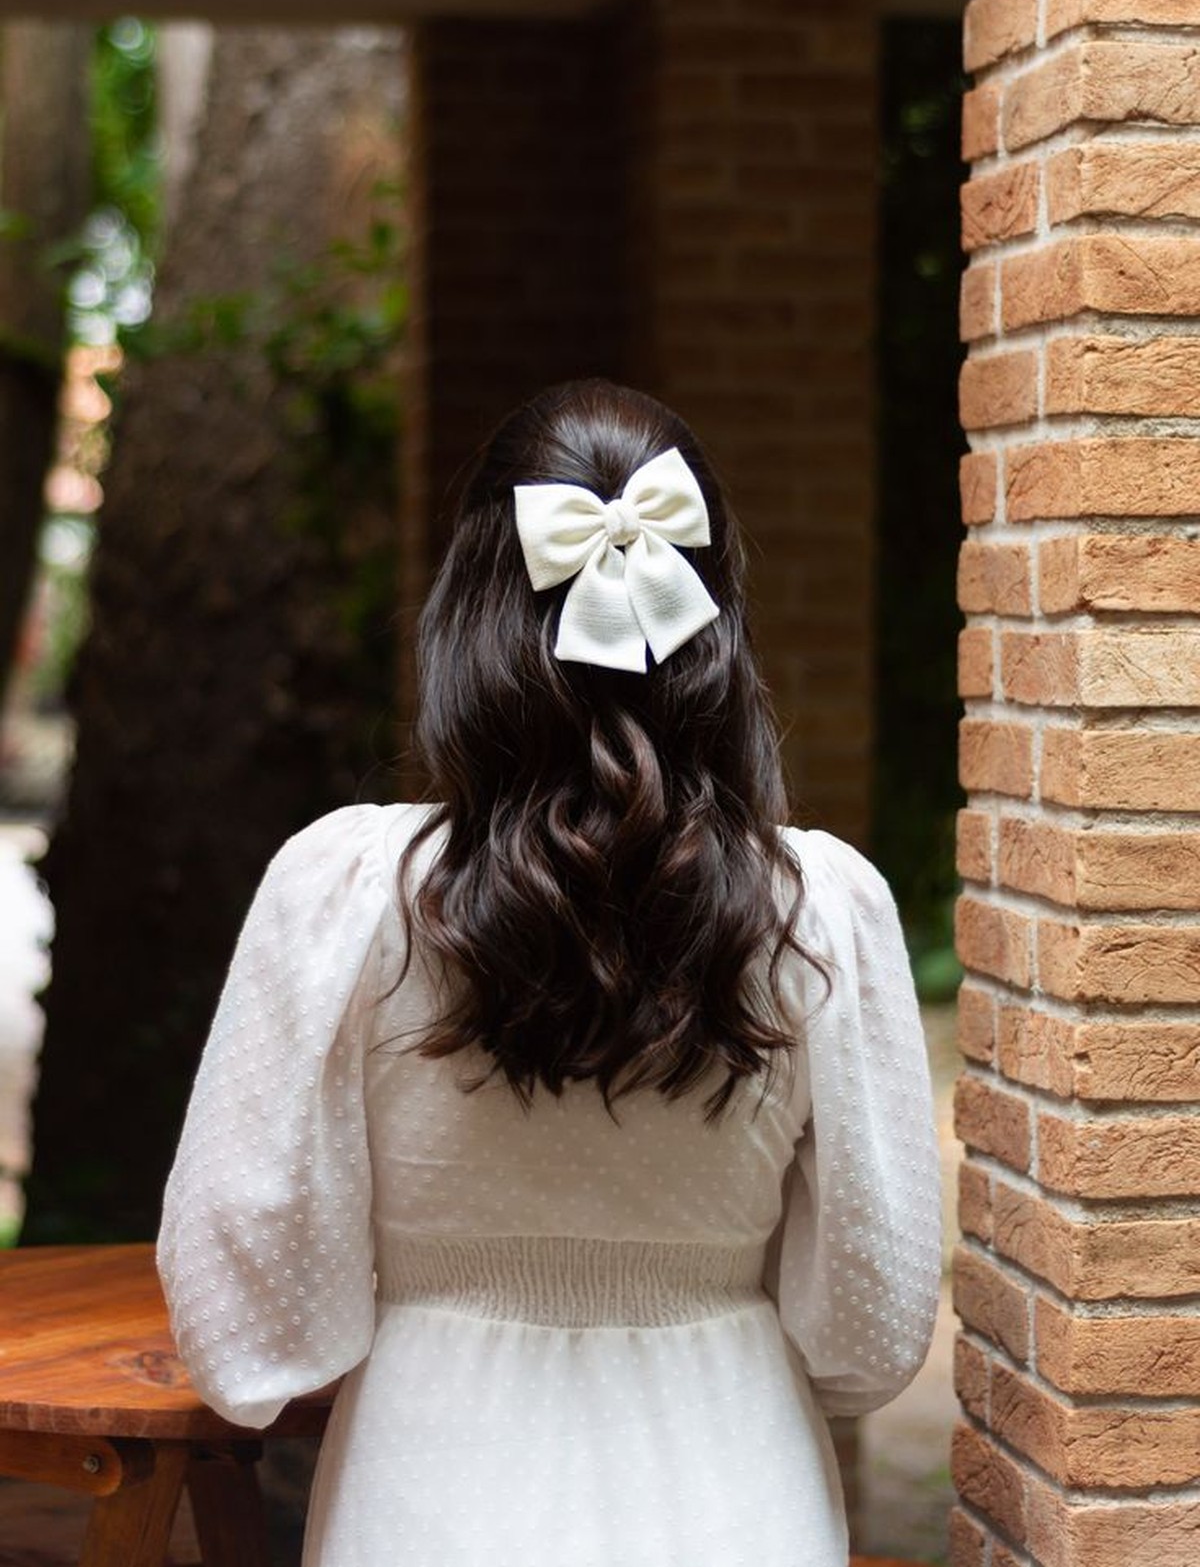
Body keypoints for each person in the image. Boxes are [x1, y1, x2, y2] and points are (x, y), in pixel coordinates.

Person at [158, 379, 941, 1567]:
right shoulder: (820, 909)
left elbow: (248, 1289)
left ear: (470, 610)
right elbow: (868, 1330)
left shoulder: (348, 889)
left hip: (429, 1489)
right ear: (714, 612)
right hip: (735, 1492)